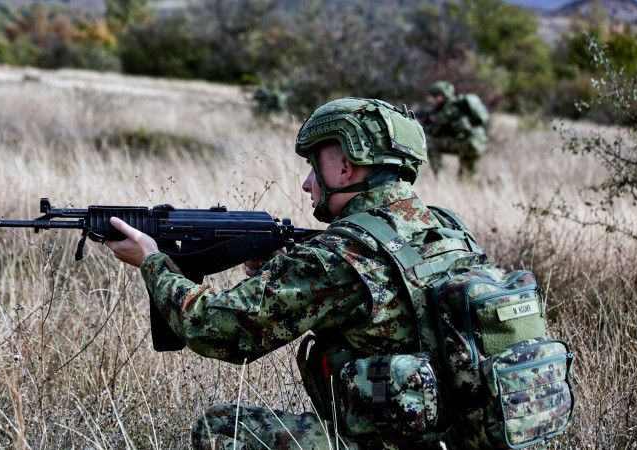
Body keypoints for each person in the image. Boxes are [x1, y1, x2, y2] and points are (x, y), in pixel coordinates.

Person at [106, 98, 454, 449]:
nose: (306, 184)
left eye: (312, 167)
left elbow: (215, 330)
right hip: (456, 436)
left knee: (220, 429)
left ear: (346, 168)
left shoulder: (335, 257)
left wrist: (152, 261)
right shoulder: (447, 229)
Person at [422, 81, 489, 178]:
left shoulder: (448, 108)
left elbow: (434, 131)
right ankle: (496, 182)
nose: (431, 100)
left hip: (469, 144)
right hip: (479, 143)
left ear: (440, 96)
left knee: (432, 143)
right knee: (467, 178)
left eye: (432, 97)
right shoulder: (457, 105)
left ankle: (438, 177)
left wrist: (420, 126)